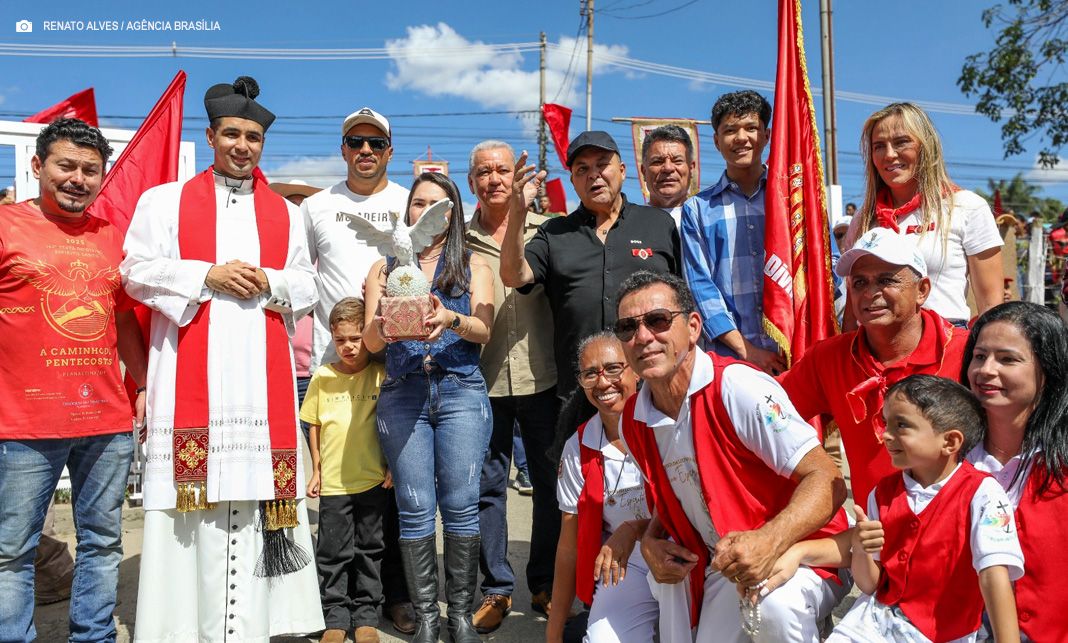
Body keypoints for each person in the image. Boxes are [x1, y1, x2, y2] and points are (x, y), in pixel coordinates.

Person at [122, 76, 323, 641]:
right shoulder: (162, 203)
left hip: (262, 391)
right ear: (209, 135)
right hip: (191, 383)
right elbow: (133, 271)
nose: (242, 145)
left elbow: (308, 285)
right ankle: (182, 628)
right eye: (231, 133)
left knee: (256, 501)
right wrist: (204, 275)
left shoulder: (285, 214)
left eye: (252, 137)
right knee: (191, 513)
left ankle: (252, 627)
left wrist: (271, 280)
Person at [616, 270, 849, 643]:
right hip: (723, 562)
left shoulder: (737, 387)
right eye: (628, 328)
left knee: (774, 609)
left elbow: (827, 479)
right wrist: (649, 540)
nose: (643, 337)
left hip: (803, 551)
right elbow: (676, 492)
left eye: (657, 321)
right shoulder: (634, 418)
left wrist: (769, 541)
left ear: (693, 327)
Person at [0, 117, 147, 643]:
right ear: (39, 166)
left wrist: (144, 384)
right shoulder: (5, 225)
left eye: (90, 170)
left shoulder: (112, 236)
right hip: (22, 423)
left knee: (104, 542)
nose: (78, 178)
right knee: (11, 551)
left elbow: (125, 317)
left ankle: (94, 636)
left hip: (104, 419)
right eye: (66, 166)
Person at [772, 375, 1023, 642]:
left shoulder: (984, 495)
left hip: (943, 634)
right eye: (886, 423)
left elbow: (995, 576)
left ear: (950, 442)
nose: (886, 435)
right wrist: (862, 547)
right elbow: (870, 584)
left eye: (901, 425)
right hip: (873, 622)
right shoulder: (882, 492)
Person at [363, 172, 495, 643]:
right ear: (408, 211)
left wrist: (450, 318)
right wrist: (382, 323)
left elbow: (483, 329)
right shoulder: (384, 269)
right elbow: (370, 341)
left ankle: (459, 616)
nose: (425, 211)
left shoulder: (473, 264)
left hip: (460, 389)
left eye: (437, 204)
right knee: (414, 507)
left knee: (460, 506)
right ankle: (426, 620)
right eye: (418, 203)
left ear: (453, 212)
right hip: (403, 394)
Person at [300, 106, 415, 632]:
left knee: (392, 488)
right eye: (355, 142)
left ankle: (392, 597)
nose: (365, 151)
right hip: (338, 360)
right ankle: (333, 606)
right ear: (342, 149)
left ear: (390, 150)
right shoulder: (317, 207)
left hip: (400, 361)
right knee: (344, 492)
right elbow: (299, 278)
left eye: (375, 143)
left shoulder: (407, 203)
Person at [781, 227, 969, 504]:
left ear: (922, 290)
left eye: (886, 280)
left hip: (958, 530)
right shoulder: (829, 358)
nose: (870, 293)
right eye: (859, 283)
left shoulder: (967, 353)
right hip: (873, 536)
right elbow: (765, 408)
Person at [500, 133, 681, 399]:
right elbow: (513, 275)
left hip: (650, 382)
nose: (593, 174)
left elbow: (682, 300)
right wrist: (517, 212)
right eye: (582, 169)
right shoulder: (553, 233)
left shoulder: (658, 224)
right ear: (573, 181)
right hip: (582, 389)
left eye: (602, 164)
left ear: (622, 170)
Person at [465, 140, 560, 629]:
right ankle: (496, 589)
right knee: (488, 487)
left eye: (503, 170)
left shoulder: (548, 233)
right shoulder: (457, 240)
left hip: (544, 376)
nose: (495, 179)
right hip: (481, 380)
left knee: (549, 486)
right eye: (484, 172)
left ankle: (543, 583)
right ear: (471, 182)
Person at [843, 102, 1003, 327]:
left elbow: (991, 307)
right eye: (879, 146)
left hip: (945, 349)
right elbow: (852, 310)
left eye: (901, 142)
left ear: (925, 147)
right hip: (872, 352)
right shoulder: (863, 219)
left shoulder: (967, 207)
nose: (889, 154)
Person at [964, 301, 1068, 642]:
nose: (986, 370)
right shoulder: (947, 458)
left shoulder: (1062, 466)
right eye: (979, 357)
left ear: (1048, 371)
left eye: (1007, 359)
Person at [546, 332, 657, 643]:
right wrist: (553, 635)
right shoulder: (578, 447)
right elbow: (568, 547)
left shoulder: (666, 423)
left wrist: (635, 529)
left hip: (678, 554)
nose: (603, 382)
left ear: (635, 370)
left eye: (613, 368)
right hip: (625, 569)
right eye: (590, 373)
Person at [302, 298, 389, 643]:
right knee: (333, 552)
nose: (349, 346)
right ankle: (335, 616)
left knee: (370, 550)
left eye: (356, 338)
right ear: (332, 339)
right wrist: (316, 471)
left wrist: (392, 466)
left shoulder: (380, 375)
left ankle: (367, 615)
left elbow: (392, 425)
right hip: (334, 484)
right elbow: (314, 425)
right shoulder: (323, 378)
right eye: (341, 340)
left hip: (372, 480)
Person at [681, 90, 785, 374]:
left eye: (751, 128)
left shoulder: (793, 199)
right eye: (730, 130)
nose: (741, 138)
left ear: (767, 135)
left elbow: (828, 268)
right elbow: (700, 287)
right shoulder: (698, 210)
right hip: (731, 362)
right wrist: (747, 351)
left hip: (795, 353)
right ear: (716, 141)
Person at [272, 180, 324, 445]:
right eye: (290, 205)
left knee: (319, 451)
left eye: (301, 207)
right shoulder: (271, 256)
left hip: (314, 371)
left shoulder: (321, 259)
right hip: (277, 369)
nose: (296, 212)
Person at [639, 124, 696, 227]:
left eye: (677, 161)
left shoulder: (707, 221)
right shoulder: (629, 224)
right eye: (657, 161)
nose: (668, 168)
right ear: (644, 171)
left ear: (691, 169)